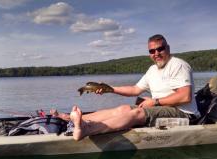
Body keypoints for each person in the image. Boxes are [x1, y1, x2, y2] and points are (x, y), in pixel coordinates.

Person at [52, 34, 199, 141]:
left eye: (160, 49)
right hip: (163, 108)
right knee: (124, 109)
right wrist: (109, 89)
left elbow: (185, 96)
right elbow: (135, 89)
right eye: (152, 51)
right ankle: (76, 119)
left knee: (137, 114)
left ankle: (86, 130)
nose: (156, 54)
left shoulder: (178, 65)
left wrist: (155, 102)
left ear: (167, 48)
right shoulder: (153, 70)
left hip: (184, 113)